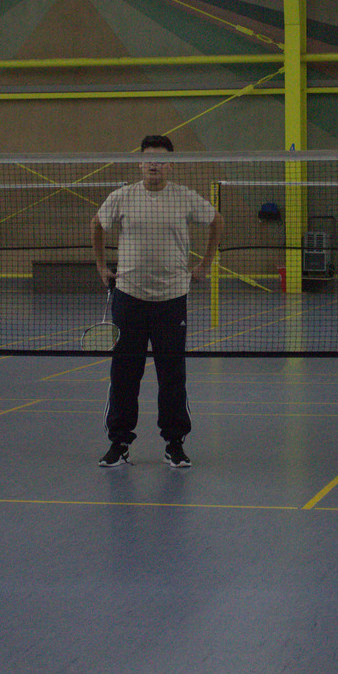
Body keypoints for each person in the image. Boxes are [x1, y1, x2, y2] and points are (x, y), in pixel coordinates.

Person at [91, 134, 222, 469]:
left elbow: (216, 221)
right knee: (124, 373)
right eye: (149, 158)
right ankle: (119, 443)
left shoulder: (185, 197)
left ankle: (174, 444)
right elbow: (97, 225)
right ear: (139, 162)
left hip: (171, 299)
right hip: (129, 298)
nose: (154, 164)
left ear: (170, 165)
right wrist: (102, 266)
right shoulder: (122, 197)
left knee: (172, 375)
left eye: (161, 159)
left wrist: (205, 264)